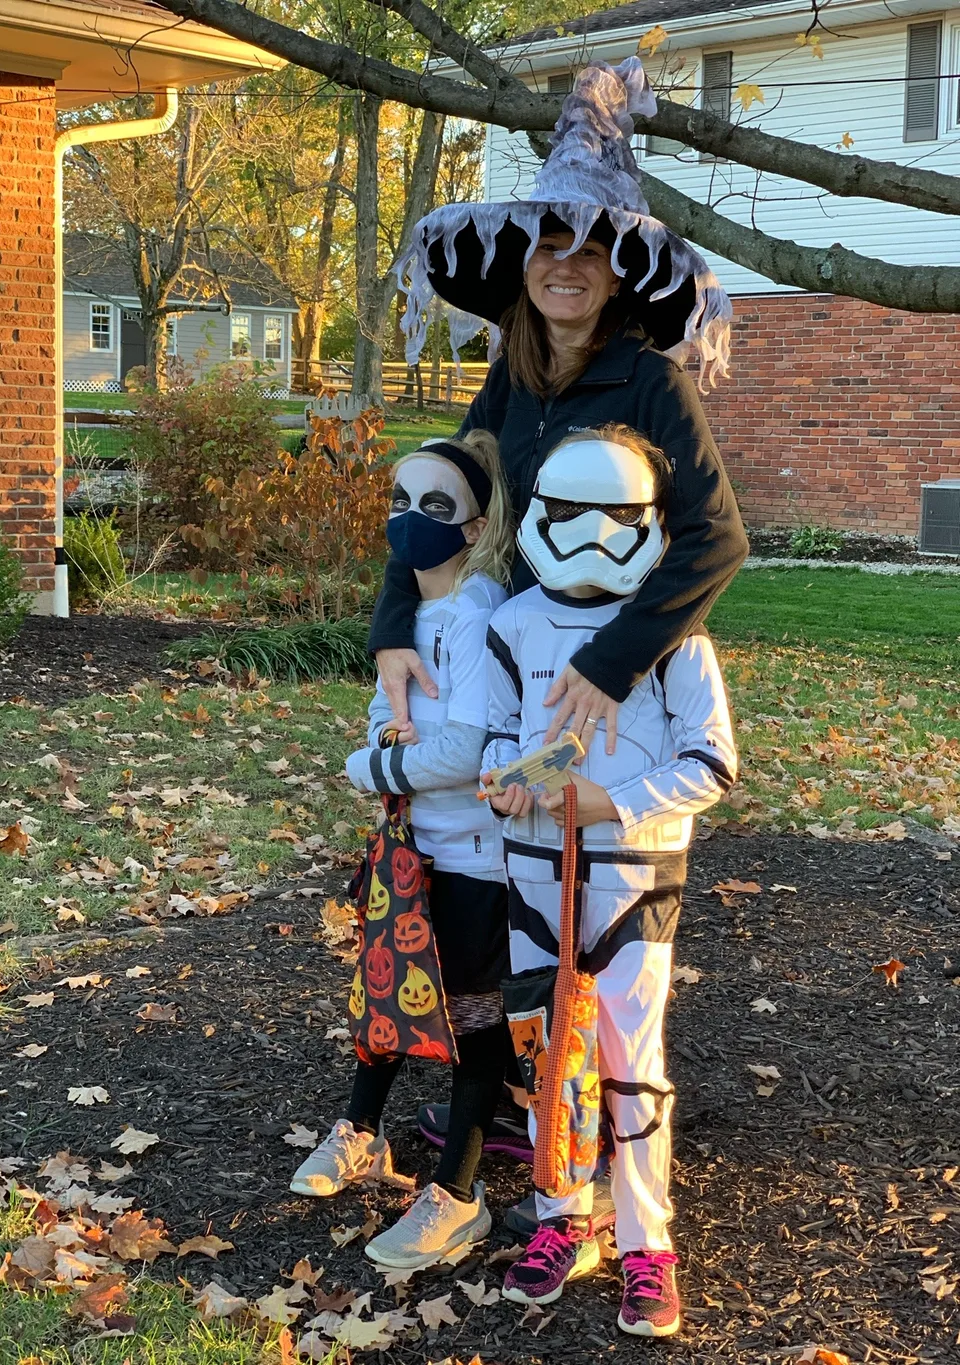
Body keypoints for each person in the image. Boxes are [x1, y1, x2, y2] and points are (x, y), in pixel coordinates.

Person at [379, 57, 748, 1212]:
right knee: (495, 865)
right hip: (513, 653)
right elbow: (448, 493)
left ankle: (595, 1136)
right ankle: (512, 1098)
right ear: (522, 266)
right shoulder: (513, 380)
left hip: (616, 679)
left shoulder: (647, 382)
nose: (565, 268)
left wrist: (608, 663)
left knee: (592, 900)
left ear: (617, 267)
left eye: (588, 250)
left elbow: (715, 541)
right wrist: (397, 618)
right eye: (547, 249)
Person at [483, 424, 738, 1338]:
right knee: (548, 1052)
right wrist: (511, 780)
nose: (591, 532)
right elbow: (504, 732)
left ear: (648, 521)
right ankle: (564, 1216)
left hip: (634, 875)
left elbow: (712, 763)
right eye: (570, 511)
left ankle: (646, 1242)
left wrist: (613, 801)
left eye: (614, 513)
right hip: (535, 872)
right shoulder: (512, 623)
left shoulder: (675, 632)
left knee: (632, 1063)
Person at [290, 430, 515, 1272]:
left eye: (434, 506)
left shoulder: (482, 612)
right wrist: (386, 755)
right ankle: (361, 1132)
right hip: (409, 849)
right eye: (399, 501)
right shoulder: (410, 618)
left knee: (471, 1015)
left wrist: (374, 765)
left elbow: (463, 752)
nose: (409, 520)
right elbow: (386, 720)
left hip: (477, 858)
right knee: (386, 990)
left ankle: (459, 1192)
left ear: (475, 523)